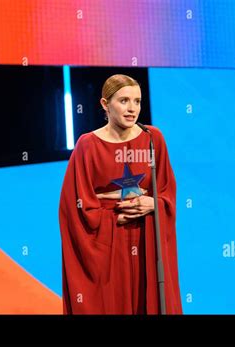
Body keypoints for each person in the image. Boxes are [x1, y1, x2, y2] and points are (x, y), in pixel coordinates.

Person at [59, 74, 182, 314]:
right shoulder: (88, 145)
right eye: (124, 101)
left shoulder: (152, 138)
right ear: (105, 104)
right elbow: (74, 207)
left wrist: (155, 203)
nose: (132, 108)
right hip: (106, 244)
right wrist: (111, 220)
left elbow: (167, 190)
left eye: (137, 101)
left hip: (146, 238)